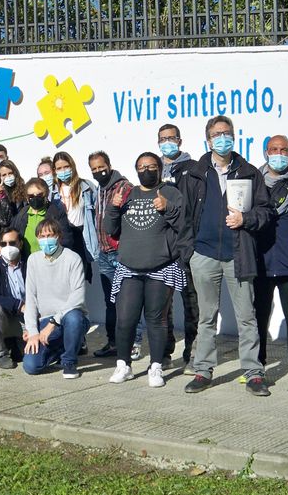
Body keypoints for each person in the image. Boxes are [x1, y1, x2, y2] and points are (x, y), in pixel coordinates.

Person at [180, 116, 275, 396]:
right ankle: (203, 370)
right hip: (204, 255)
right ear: (208, 140)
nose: (223, 138)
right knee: (206, 317)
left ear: (234, 136)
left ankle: (254, 373)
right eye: (217, 134)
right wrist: (190, 253)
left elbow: (266, 212)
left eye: (227, 133)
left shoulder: (248, 172)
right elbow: (184, 218)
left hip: (238, 255)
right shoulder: (195, 174)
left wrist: (245, 219)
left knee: (247, 317)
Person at [105, 153, 187, 388]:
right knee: (126, 320)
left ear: (160, 169)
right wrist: (114, 207)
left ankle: (156, 366)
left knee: (156, 320)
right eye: (141, 167)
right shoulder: (128, 194)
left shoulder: (171, 192)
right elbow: (111, 229)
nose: (146, 170)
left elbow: (183, 224)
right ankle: (124, 365)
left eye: (151, 166)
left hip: (161, 268)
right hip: (129, 268)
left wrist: (167, 208)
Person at [253, 136, 288, 385]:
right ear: (266, 152)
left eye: (284, 150)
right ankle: (257, 365)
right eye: (274, 149)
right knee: (258, 318)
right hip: (260, 263)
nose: (279, 153)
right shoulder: (252, 184)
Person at [22, 219, 89, 379]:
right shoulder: (33, 260)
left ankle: (69, 362)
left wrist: (53, 323)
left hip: (71, 318)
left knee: (73, 317)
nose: (46, 240)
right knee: (31, 366)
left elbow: (77, 297)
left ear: (58, 236)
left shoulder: (72, 258)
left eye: (50, 235)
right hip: (45, 321)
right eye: (42, 236)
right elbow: (30, 298)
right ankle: (61, 349)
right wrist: (32, 332)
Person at [158, 123, 200, 370]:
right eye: (163, 139)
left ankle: (193, 352)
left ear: (180, 141)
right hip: (162, 247)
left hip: (186, 246)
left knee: (192, 303)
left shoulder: (193, 169)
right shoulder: (152, 168)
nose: (167, 142)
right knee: (162, 304)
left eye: (171, 138)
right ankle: (164, 352)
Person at [89, 151, 133, 358]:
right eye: (94, 169)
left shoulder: (123, 187)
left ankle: (133, 343)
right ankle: (113, 342)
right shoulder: (100, 189)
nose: (98, 171)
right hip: (104, 253)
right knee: (111, 301)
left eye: (101, 167)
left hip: (119, 252)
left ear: (109, 164)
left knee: (127, 301)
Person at [0, 227, 27, 369]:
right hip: (7, 318)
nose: (8, 247)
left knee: (33, 359)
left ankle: (19, 345)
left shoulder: (29, 265)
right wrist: (18, 304)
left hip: (28, 319)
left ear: (20, 244)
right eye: (3, 244)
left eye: (12, 243)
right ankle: (1, 354)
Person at [52, 151, 99, 283]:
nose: (63, 170)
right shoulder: (52, 192)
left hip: (82, 236)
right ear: (55, 171)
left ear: (72, 166)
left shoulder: (86, 186)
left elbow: (97, 212)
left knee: (81, 278)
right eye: (59, 168)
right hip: (64, 237)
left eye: (66, 166)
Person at [11, 178, 76, 260]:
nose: (35, 199)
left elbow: (66, 240)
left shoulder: (56, 213)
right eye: (31, 196)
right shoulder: (22, 214)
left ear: (46, 195)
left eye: (39, 195)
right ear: (27, 198)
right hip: (29, 264)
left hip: (53, 261)